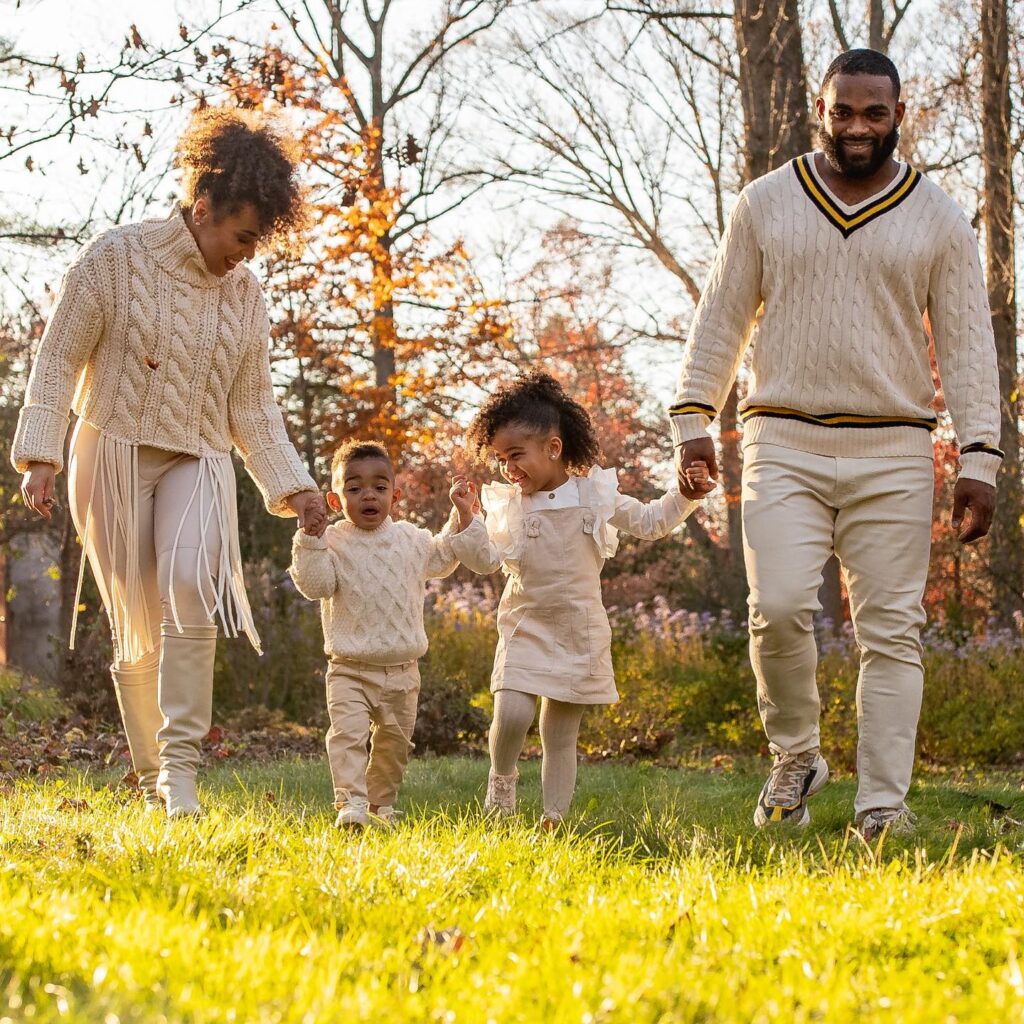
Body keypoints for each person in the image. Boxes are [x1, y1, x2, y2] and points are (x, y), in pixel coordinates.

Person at [670, 49, 1002, 840]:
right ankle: (797, 756)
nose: (858, 126)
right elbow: (720, 315)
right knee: (777, 606)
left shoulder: (940, 218)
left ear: (897, 116)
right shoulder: (764, 203)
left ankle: (881, 808)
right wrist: (693, 419)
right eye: (843, 110)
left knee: (891, 633)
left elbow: (966, 346)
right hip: (781, 435)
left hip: (893, 449)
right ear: (820, 111)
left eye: (873, 113)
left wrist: (980, 458)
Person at [14, 108, 328, 817]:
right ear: (205, 206)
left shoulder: (245, 295)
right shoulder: (115, 258)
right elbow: (60, 355)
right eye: (242, 236)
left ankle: (179, 772)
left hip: (200, 457)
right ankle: (151, 767)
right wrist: (39, 454)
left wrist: (297, 488)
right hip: (112, 449)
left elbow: (253, 408)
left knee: (192, 587)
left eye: (259, 241)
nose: (247, 253)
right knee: (139, 617)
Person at [455, 372, 711, 827]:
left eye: (516, 456)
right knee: (511, 712)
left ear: (553, 448)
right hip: (524, 623)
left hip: (578, 628)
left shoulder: (593, 495)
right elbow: (483, 561)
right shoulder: (510, 505)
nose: (508, 469)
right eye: (499, 459)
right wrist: (465, 519)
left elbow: (651, 521)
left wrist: (685, 495)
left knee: (560, 732)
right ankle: (502, 780)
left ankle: (553, 817)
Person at [288, 440, 488, 829]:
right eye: (355, 487)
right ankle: (350, 805)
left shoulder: (411, 540)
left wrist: (460, 515)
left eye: (379, 487)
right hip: (349, 667)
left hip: (402, 669)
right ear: (334, 500)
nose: (368, 495)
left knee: (393, 747)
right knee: (347, 736)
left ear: (395, 495)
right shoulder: (332, 542)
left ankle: (380, 807)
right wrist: (310, 539)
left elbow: (445, 556)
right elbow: (315, 585)